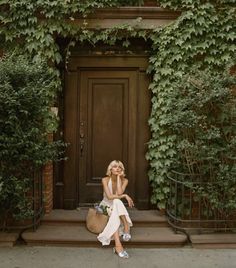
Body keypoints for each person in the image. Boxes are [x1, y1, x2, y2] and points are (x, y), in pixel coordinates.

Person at [97, 160, 134, 258]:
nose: (117, 168)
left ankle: (118, 246)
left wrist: (118, 177)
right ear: (110, 169)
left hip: (116, 206)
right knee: (117, 203)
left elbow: (118, 193)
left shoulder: (124, 180)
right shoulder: (105, 180)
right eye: (115, 166)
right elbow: (109, 197)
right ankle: (126, 226)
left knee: (117, 202)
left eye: (120, 167)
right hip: (105, 205)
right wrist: (125, 195)